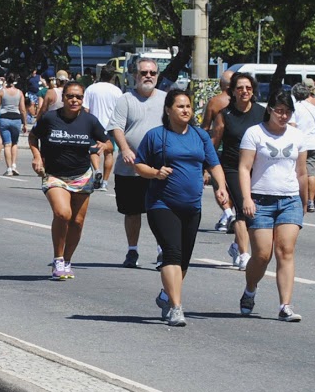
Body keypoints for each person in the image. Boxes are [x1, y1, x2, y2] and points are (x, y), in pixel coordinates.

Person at [132, 88, 231, 328]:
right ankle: (176, 307)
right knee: (172, 254)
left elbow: (214, 163)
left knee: (184, 260)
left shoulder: (200, 136)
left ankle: (166, 296)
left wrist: (221, 187)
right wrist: (156, 172)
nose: (185, 110)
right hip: (162, 204)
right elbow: (139, 166)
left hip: (191, 206)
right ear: (168, 110)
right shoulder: (156, 136)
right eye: (180, 106)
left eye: (188, 106)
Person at [237, 90, 315, 322]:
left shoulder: (297, 135)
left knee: (285, 251)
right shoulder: (254, 133)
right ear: (269, 110)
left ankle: (285, 305)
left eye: (287, 112)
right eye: (279, 111)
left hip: (289, 199)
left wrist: (304, 200)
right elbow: (244, 168)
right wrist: (247, 198)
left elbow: (301, 172)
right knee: (262, 254)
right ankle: (250, 289)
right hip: (260, 199)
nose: (283, 116)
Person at [29, 80, 107, 280]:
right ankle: (57, 259)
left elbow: (107, 142)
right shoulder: (49, 118)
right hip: (55, 175)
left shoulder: (89, 121)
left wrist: (103, 147)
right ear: (62, 98)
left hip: (82, 175)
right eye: (70, 96)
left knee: (78, 222)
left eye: (78, 97)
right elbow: (33, 137)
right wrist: (37, 157)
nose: (74, 100)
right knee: (63, 214)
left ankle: (67, 261)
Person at [109, 58, 167, 268]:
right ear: (135, 76)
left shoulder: (166, 99)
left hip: (158, 169)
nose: (148, 76)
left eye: (152, 72)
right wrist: (124, 149)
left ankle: (162, 250)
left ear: (157, 75)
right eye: (144, 73)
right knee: (132, 212)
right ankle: (132, 251)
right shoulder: (126, 99)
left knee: (159, 211)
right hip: (130, 169)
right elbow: (116, 127)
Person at [211, 72, 263, 271]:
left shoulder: (261, 113)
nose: (244, 91)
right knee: (243, 209)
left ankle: (235, 246)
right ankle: (244, 254)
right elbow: (214, 143)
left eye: (248, 88)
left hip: (256, 169)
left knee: (254, 213)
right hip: (232, 168)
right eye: (240, 88)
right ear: (232, 91)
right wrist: (210, 170)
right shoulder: (225, 115)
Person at [201, 73, 237, 229]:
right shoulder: (243, 102)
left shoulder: (215, 102)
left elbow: (205, 128)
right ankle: (229, 215)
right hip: (235, 149)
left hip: (218, 149)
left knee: (219, 184)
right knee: (233, 184)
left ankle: (228, 213)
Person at [82, 65, 124, 186]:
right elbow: (120, 110)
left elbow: (86, 109)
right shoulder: (117, 91)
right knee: (109, 153)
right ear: (113, 76)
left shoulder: (91, 89)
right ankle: (104, 182)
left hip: (94, 124)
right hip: (110, 125)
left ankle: (97, 170)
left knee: (94, 151)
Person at [291, 81, 315, 212]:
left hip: (299, 145)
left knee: (298, 173)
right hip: (312, 144)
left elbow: (292, 126)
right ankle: (311, 201)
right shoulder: (313, 108)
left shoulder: (294, 108)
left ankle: (301, 199)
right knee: (312, 173)